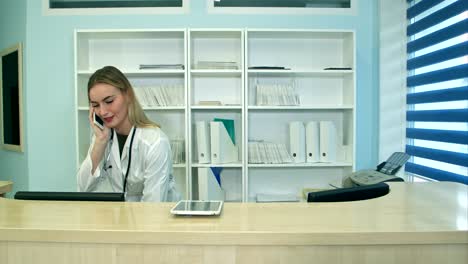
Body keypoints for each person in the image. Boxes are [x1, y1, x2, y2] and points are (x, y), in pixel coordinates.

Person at [77, 65, 179, 202]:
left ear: (128, 95)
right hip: (125, 218)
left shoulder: (155, 142)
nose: (102, 111)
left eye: (109, 101)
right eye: (95, 105)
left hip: (157, 219)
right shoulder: (102, 136)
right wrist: (100, 142)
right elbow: (83, 188)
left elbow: (153, 205)